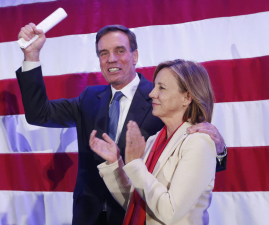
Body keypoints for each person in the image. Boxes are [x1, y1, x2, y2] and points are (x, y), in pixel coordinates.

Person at [16, 24, 227, 225]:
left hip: (140, 215)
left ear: (134, 55)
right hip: (90, 215)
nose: (111, 59)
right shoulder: (89, 98)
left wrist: (218, 150)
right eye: (103, 53)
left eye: (119, 50)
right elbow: (39, 114)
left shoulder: (162, 101)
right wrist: (31, 56)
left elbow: (193, 164)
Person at [90, 59, 216, 224]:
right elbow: (139, 204)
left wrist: (135, 164)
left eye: (161, 88)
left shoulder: (198, 143)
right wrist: (115, 164)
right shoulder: (153, 140)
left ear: (187, 97)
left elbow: (170, 212)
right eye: (155, 86)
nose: (152, 94)